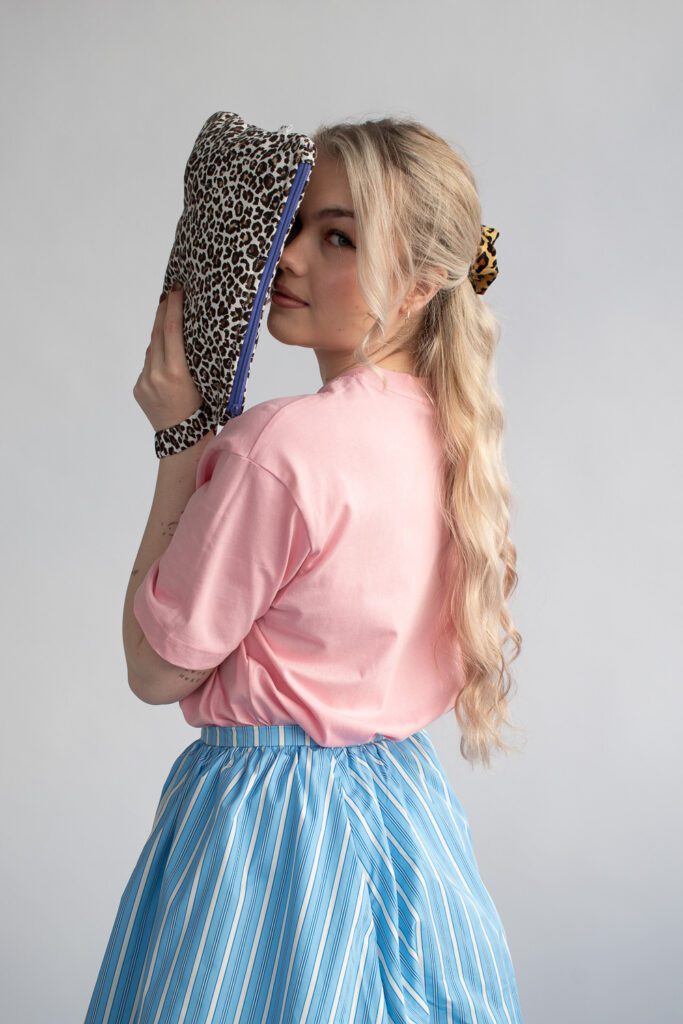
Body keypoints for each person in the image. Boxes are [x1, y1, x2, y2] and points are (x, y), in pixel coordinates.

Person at [85, 116, 526, 1023]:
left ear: (420, 283)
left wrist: (182, 445)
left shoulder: (282, 447)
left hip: (267, 835)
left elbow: (155, 668)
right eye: (293, 224)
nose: (287, 257)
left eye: (338, 238)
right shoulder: (453, 437)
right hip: (407, 820)